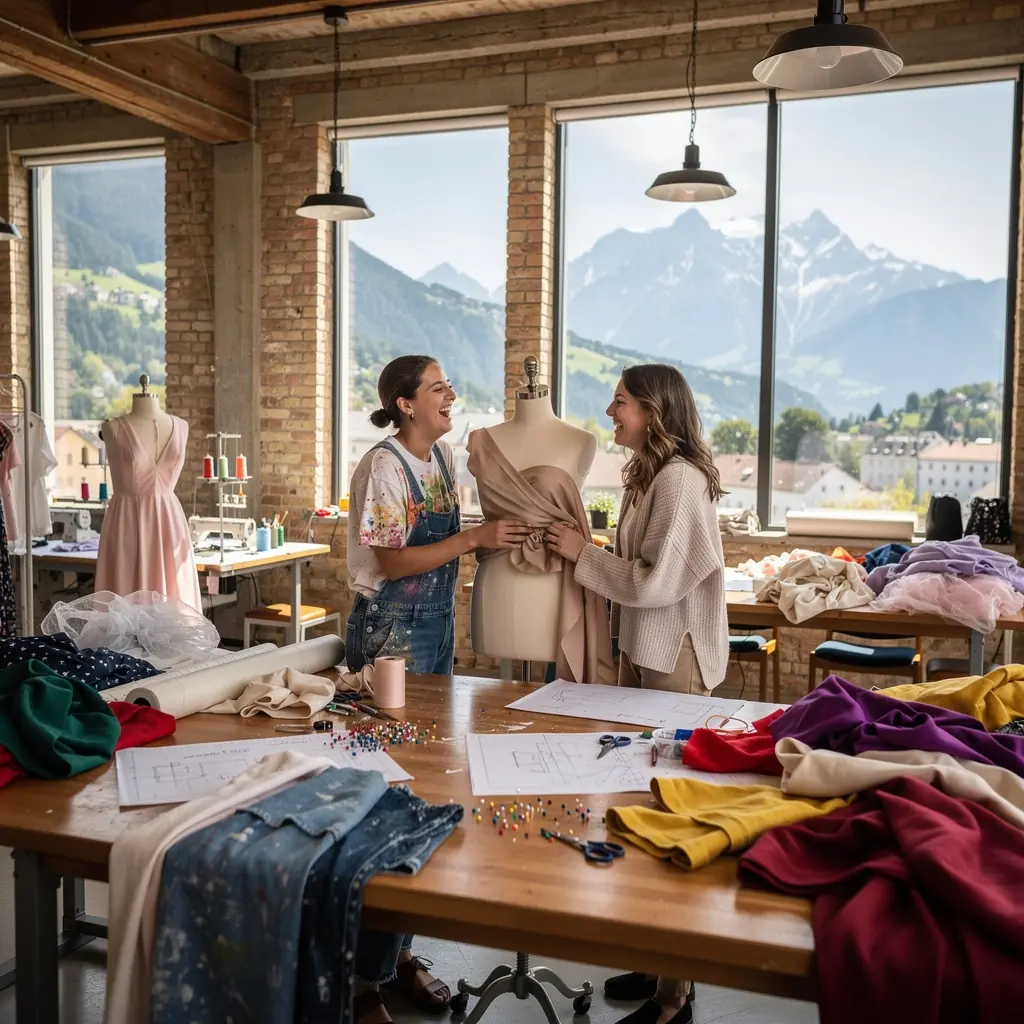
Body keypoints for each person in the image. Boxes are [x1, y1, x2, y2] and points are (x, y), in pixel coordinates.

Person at [545, 362, 729, 1024]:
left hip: (672, 662)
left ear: (653, 411)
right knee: (646, 811)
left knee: (669, 814)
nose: (609, 412)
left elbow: (654, 587)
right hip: (649, 656)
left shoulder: (677, 482)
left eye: (620, 402)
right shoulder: (650, 476)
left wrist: (578, 553)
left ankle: (673, 997)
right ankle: (661, 968)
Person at [346, 354, 532, 676]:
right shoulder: (385, 466)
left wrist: (492, 531)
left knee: (434, 722)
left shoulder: (443, 456)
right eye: (437, 389)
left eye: (449, 386)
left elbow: (445, 538)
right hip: (392, 627)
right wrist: (475, 537)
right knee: (395, 724)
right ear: (407, 406)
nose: (452, 396)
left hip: (441, 620)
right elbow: (393, 564)